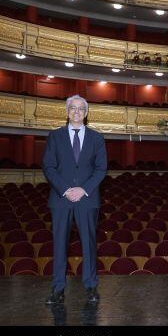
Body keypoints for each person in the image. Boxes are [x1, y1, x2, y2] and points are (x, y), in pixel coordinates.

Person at [43, 95, 107, 304]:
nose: (77, 112)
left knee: (88, 243)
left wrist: (83, 190)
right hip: (61, 199)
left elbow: (101, 169)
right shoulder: (55, 136)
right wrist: (65, 190)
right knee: (59, 244)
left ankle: (90, 287)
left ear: (86, 113)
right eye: (73, 108)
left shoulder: (97, 138)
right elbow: (49, 167)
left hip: (87, 199)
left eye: (81, 109)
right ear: (67, 111)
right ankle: (58, 288)